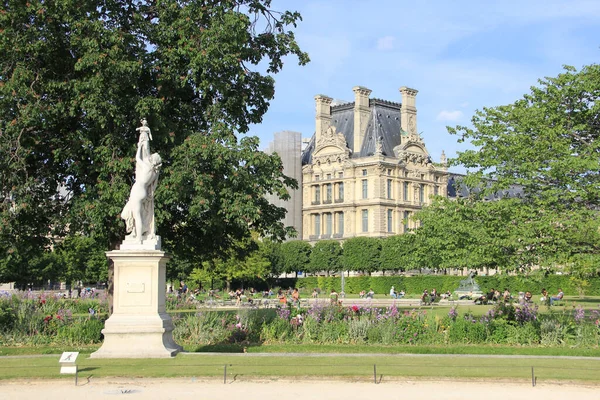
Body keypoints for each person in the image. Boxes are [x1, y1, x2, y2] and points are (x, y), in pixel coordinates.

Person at [121, 135, 162, 243]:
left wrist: (139, 147)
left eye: (151, 157)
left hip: (138, 191)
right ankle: (137, 232)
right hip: (142, 192)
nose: (149, 157)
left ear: (153, 160)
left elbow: (138, 159)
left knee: (136, 215)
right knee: (130, 214)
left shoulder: (147, 167)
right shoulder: (154, 172)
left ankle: (139, 238)